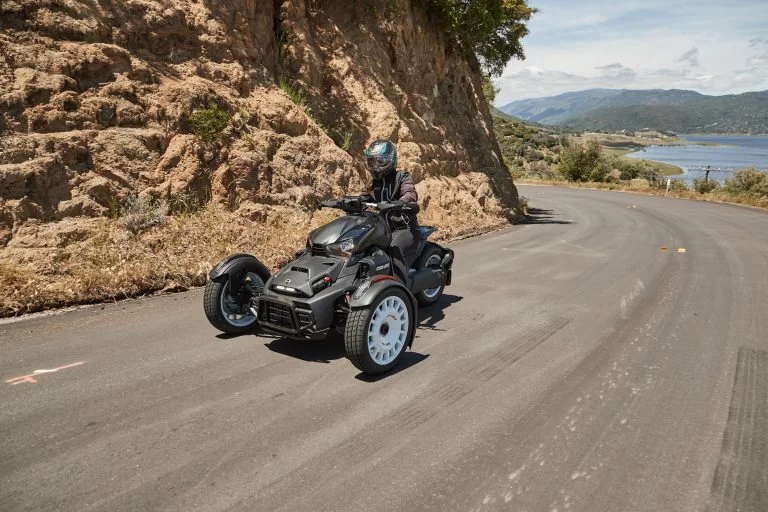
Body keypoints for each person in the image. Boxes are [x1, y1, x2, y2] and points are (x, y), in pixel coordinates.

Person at [361, 139, 419, 285]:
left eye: (380, 161)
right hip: (382, 230)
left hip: (404, 228)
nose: (375, 165)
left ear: (391, 160)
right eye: (372, 161)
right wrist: (351, 201)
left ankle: (400, 289)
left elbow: (410, 193)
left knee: (394, 248)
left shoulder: (402, 177)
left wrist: (399, 202)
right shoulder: (373, 183)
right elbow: (363, 197)